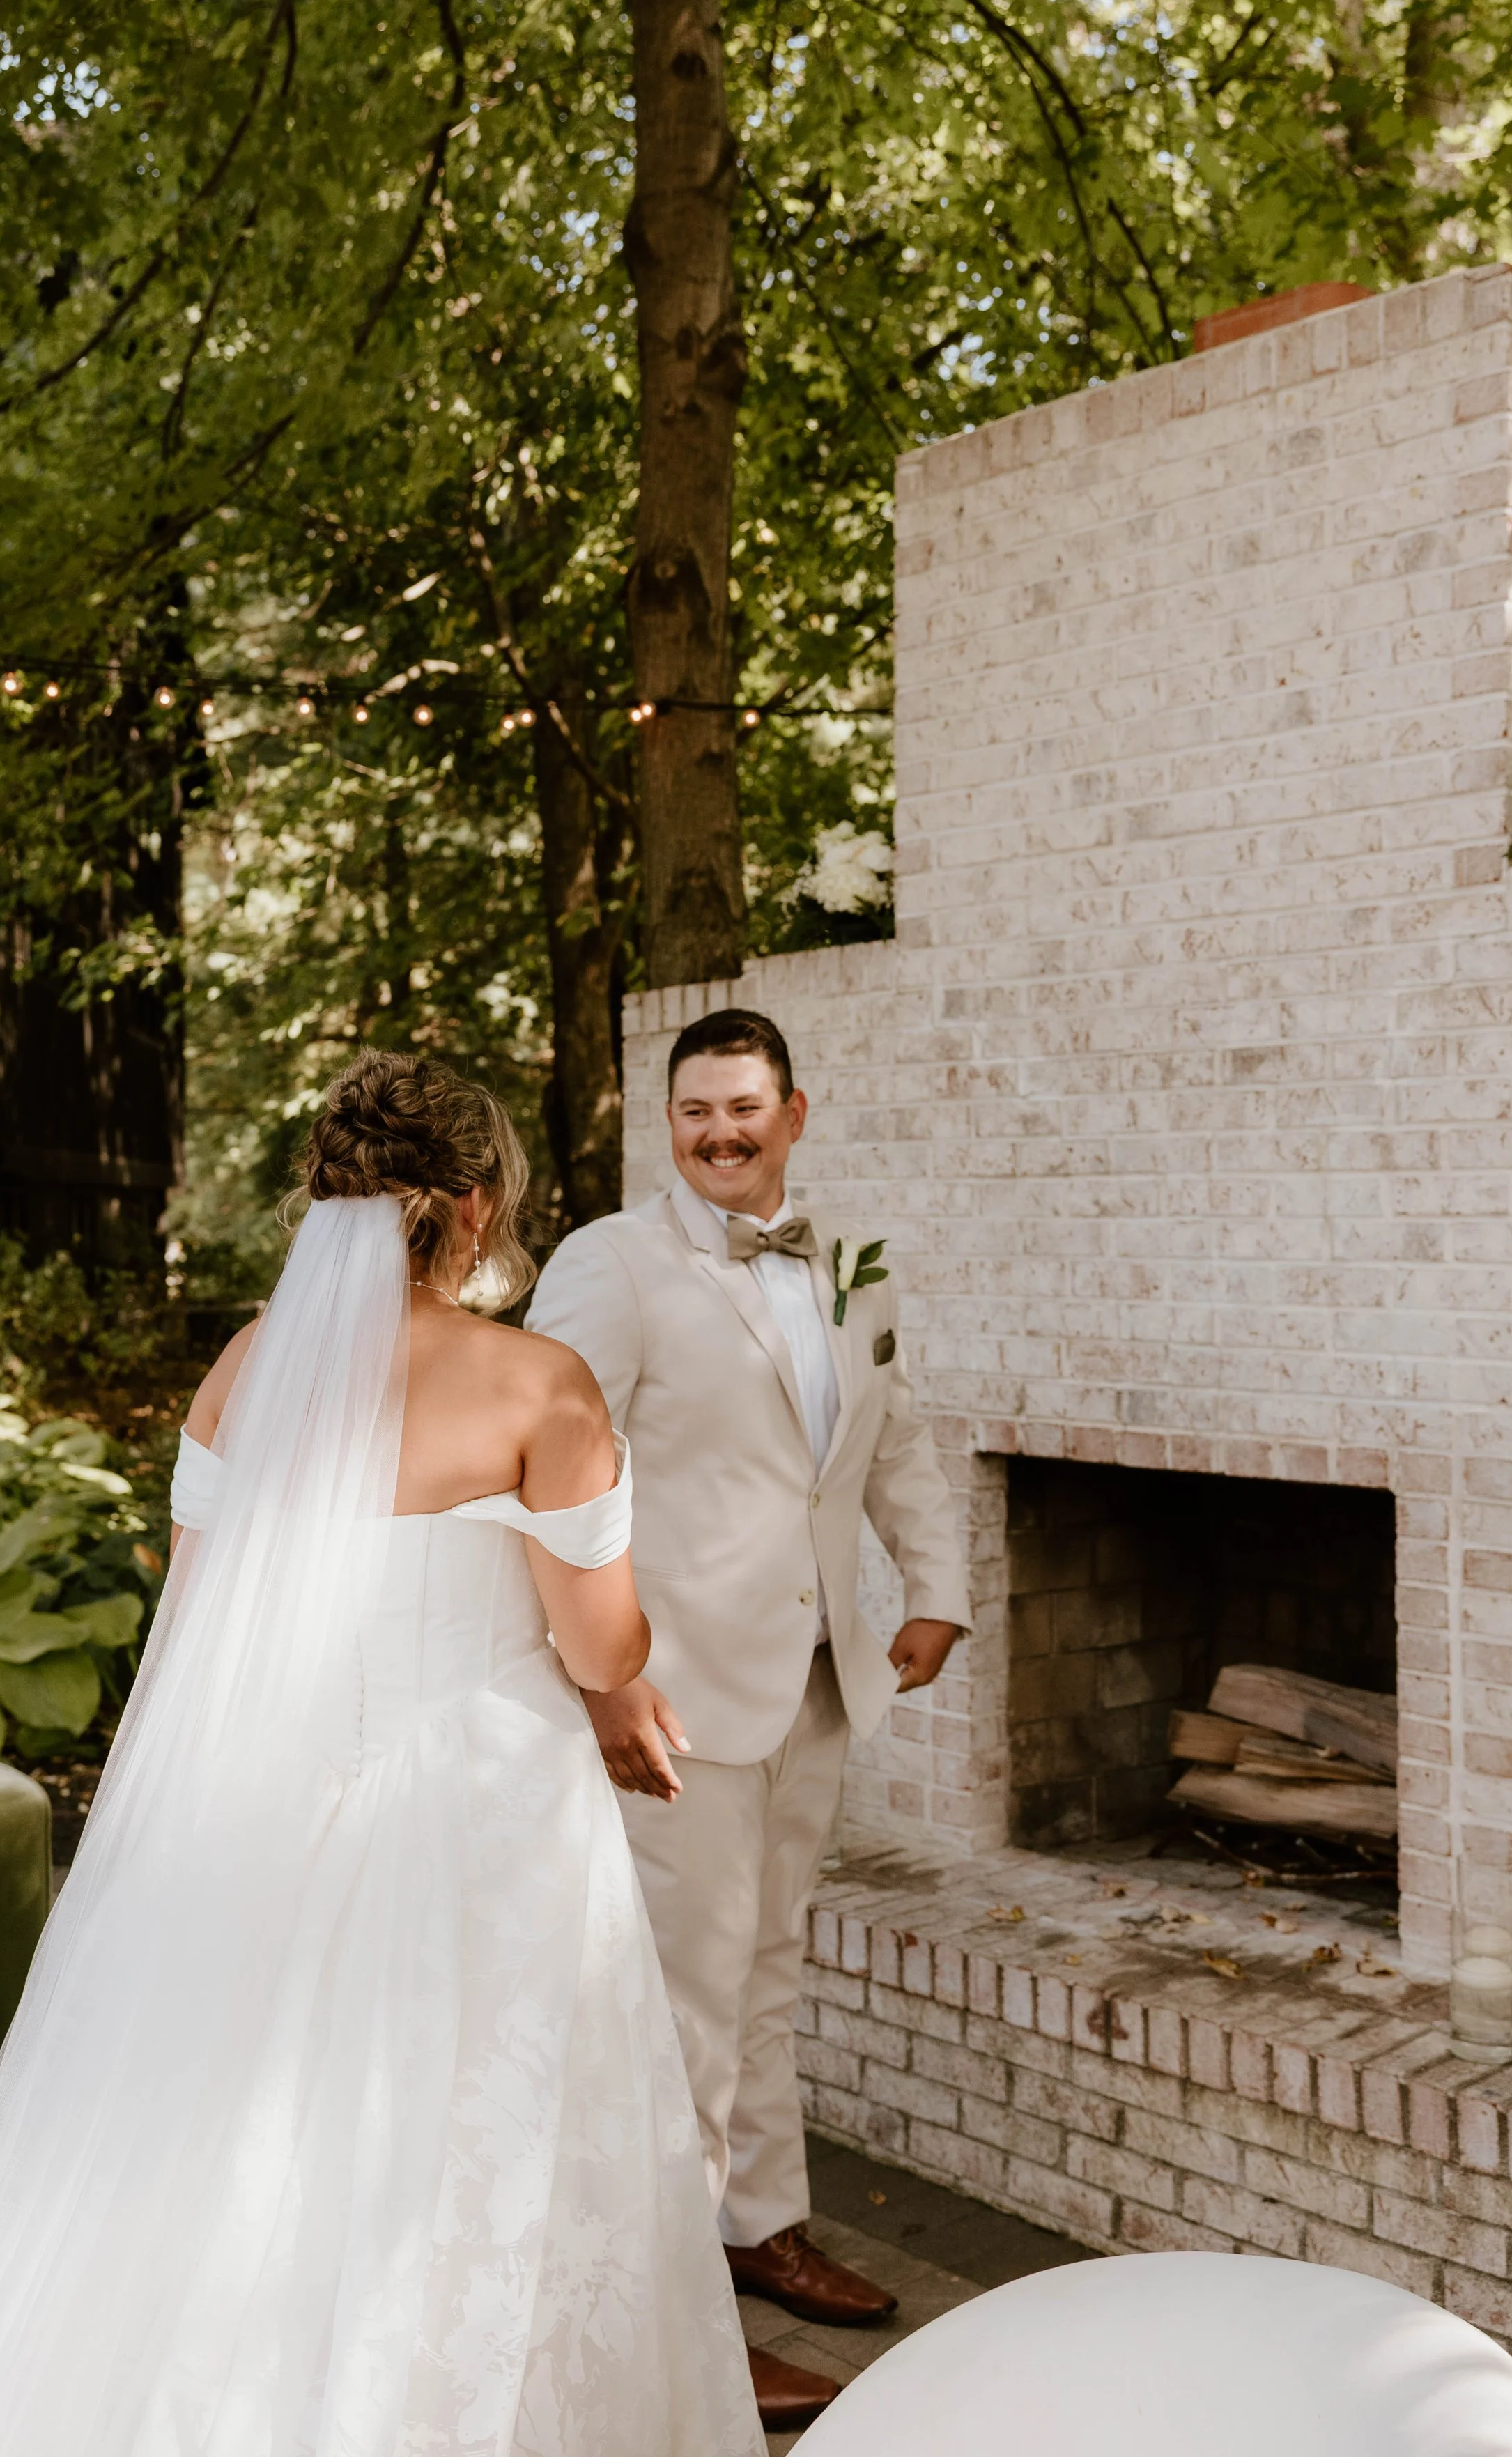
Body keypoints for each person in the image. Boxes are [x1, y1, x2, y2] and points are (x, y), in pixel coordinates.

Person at [0, 1052, 760, 2457]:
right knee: (472, 2153)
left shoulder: (243, 1374)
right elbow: (601, 1655)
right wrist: (626, 1639)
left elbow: (197, 1613)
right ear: (473, 1207)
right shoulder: (542, 1386)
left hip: (261, 1812)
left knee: (249, 2149)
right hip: (488, 1821)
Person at [527, 1006, 972, 2431]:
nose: (717, 1133)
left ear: (793, 1112)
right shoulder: (608, 1264)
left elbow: (891, 1437)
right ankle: (685, 2330)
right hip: (671, 1697)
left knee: (765, 1974)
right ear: (668, 1124)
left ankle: (760, 2229)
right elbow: (549, 1474)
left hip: (817, 1678)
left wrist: (937, 1589)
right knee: (678, 2012)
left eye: (742, 1108)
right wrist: (599, 1678)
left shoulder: (853, 1258)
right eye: (692, 1112)